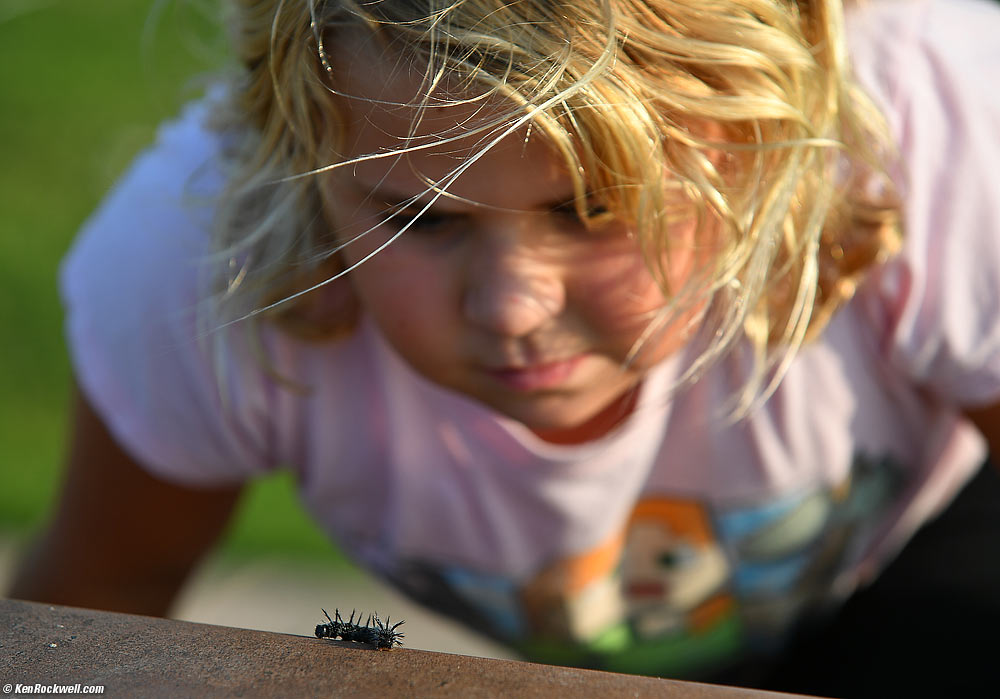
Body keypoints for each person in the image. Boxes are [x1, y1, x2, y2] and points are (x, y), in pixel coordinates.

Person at [10, 0, 1000, 693]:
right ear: (305, 161)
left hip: (932, 561)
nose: (512, 307)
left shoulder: (940, 146)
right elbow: (97, 608)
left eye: (592, 209)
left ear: (751, 144)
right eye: (420, 219)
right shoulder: (197, 271)